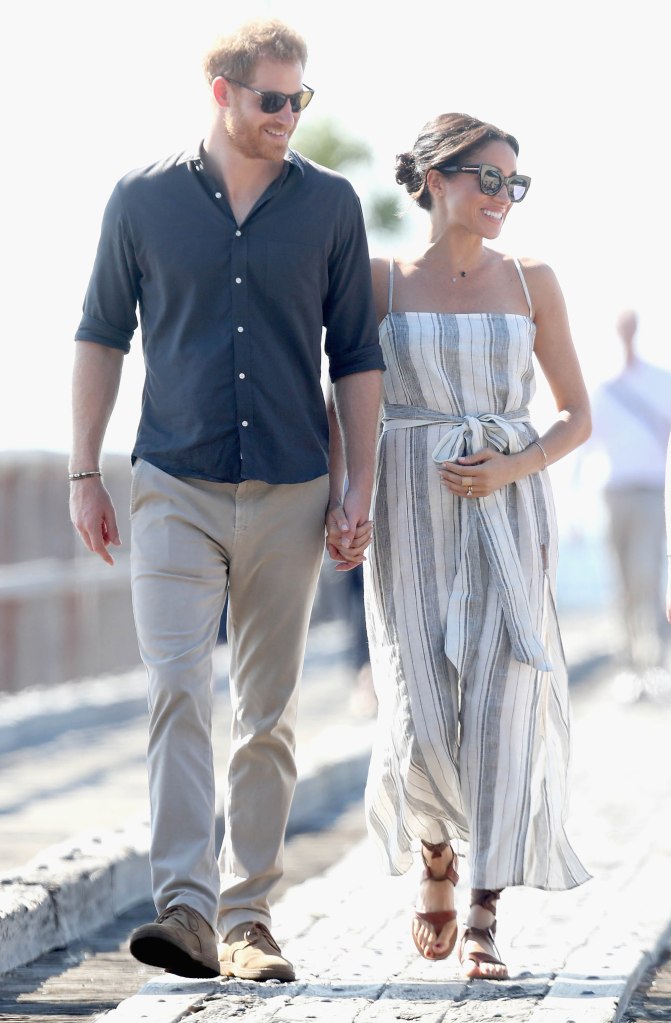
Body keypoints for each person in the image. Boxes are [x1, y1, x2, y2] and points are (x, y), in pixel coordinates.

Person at [69, 17, 383, 981]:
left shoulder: (329, 206)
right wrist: (84, 469)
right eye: (273, 99)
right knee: (176, 689)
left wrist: (356, 485)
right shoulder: (141, 198)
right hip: (172, 482)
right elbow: (99, 335)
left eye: (301, 100)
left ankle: (249, 919)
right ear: (222, 93)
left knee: (268, 711)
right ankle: (188, 911)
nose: (289, 116)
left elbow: (356, 357)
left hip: (292, 486)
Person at [359, 112, 592, 979]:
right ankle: (433, 850)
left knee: (501, 704)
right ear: (433, 178)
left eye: (511, 183)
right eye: (484, 178)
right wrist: (346, 499)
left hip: (510, 511)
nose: (500, 197)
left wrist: (512, 467)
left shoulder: (532, 282)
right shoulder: (378, 282)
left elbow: (576, 413)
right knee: (416, 706)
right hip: (409, 508)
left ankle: (487, 909)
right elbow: (347, 402)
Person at [589, 310, 671, 700]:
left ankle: (653, 665)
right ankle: (628, 667)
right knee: (620, 583)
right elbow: (584, 447)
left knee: (648, 577)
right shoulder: (605, 388)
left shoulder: (661, 382)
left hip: (652, 493)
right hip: (613, 494)